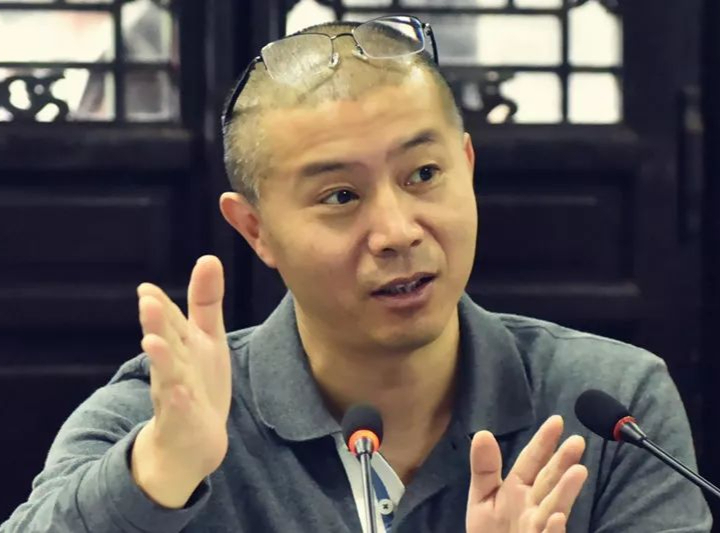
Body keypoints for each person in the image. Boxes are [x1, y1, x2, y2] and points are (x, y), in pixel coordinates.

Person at [1, 15, 712, 533]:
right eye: (340, 196)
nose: (398, 231)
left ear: (467, 167)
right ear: (255, 229)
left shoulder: (609, 410)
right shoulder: (168, 417)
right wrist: (162, 472)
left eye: (424, 174)